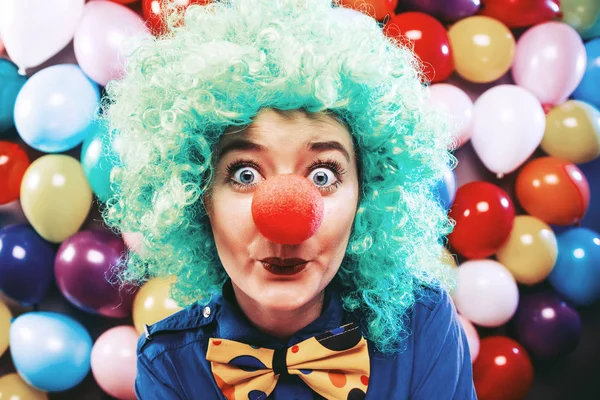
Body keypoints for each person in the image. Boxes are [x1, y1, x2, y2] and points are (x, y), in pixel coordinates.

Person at [101, 0, 477, 398]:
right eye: (245, 173)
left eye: (323, 174)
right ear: (198, 196)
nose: (287, 215)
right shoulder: (168, 363)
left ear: (366, 195)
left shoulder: (422, 323)